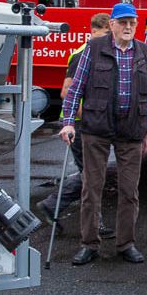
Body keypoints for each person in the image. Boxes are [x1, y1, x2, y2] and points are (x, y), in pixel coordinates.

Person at [59, 1, 147, 266]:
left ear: (137, 25)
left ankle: (126, 244)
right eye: (123, 22)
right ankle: (89, 244)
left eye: (132, 22)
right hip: (96, 128)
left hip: (131, 130)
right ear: (112, 25)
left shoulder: (146, 53)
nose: (127, 27)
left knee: (129, 191)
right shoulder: (92, 49)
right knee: (92, 189)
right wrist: (68, 121)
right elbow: (75, 88)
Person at [39, 12, 111, 229]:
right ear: (94, 31)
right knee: (92, 174)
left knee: (90, 172)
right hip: (80, 124)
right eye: (106, 33)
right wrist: (87, 117)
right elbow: (67, 92)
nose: (109, 38)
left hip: (88, 123)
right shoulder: (83, 54)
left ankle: (53, 205)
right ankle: (92, 223)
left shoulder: (97, 52)